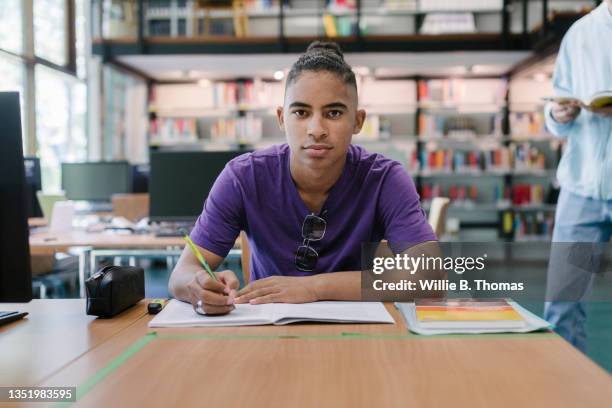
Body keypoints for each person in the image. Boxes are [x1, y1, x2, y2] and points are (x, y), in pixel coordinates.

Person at [168, 41, 440, 315]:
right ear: (281, 118)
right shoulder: (242, 177)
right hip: (268, 331)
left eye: (333, 113)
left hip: (360, 333)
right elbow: (181, 274)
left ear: (358, 121)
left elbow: (431, 278)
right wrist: (198, 284)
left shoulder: (385, 179)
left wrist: (313, 288)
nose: (316, 129)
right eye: (301, 112)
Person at [544, 0, 612, 352]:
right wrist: (557, 113)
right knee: (563, 304)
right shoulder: (581, 34)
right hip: (581, 190)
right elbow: (555, 106)